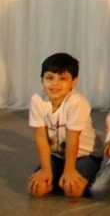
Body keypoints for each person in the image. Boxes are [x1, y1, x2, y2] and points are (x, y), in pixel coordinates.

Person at [28, 53, 102, 199]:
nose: (55, 84)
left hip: (85, 155)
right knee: (38, 190)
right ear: (41, 79)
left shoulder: (77, 102)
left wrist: (69, 170)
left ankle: (84, 175)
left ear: (73, 82)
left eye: (62, 79)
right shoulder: (37, 100)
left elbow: (72, 138)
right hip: (57, 155)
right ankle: (58, 176)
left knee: (72, 192)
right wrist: (45, 169)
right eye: (49, 78)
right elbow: (41, 136)